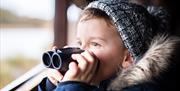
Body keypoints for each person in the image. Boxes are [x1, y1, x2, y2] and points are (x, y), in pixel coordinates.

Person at [38, 0, 179, 91]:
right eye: (80, 43)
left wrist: (71, 86)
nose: (82, 52)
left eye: (95, 44)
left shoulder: (146, 88)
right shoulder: (101, 80)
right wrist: (53, 84)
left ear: (128, 58)